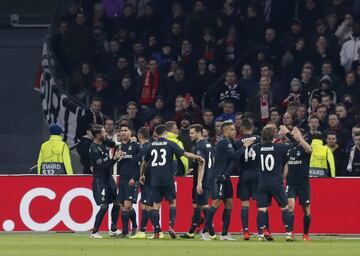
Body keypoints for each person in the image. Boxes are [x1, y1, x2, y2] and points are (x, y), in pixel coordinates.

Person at [139, 124, 204, 239]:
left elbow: (144, 162)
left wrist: (142, 175)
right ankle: (170, 226)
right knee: (172, 202)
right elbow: (185, 154)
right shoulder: (170, 143)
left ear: (156, 134)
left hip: (155, 179)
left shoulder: (151, 145)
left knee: (156, 205)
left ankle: (157, 231)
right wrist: (197, 157)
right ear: (165, 133)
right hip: (168, 178)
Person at [202, 121, 254, 241]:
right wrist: (244, 146)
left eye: (234, 129)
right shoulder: (224, 142)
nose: (234, 131)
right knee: (216, 203)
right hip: (219, 177)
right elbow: (234, 157)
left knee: (229, 203)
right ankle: (205, 230)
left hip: (226, 177)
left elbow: (232, 161)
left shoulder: (229, 142)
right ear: (225, 131)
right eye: (231, 130)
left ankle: (224, 234)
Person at [252, 125, 296, 241]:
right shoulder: (280, 147)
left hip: (262, 182)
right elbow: (296, 144)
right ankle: (288, 233)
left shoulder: (257, 148)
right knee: (284, 207)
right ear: (274, 137)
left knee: (262, 209)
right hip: (276, 182)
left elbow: (253, 160)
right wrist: (287, 133)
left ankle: (261, 235)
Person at [89, 125, 124, 238]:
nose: (105, 134)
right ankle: (94, 232)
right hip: (99, 179)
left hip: (108, 178)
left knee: (116, 202)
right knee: (104, 206)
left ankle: (113, 229)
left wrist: (126, 141)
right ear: (97, 135)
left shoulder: (105, 142)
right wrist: (114, 159)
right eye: (103, 132)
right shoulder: (93, 149)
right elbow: (101, 167)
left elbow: (116, 144)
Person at [180, 124, 214, 239]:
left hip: (202, 179)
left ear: (199, 133)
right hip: (207, 177)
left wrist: (199, 182)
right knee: (196, 206)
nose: (190, 135)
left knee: (203, 206)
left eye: (192, 133)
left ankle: (212, 232)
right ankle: (191, 231)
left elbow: (202, 164)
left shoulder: (199, 145)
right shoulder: (208, 144)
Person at [284, 127, 312, 241]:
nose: (293, 135)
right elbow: (287, 164)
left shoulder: (305, 147)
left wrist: (299, 137)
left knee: (306, 210)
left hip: (303, 184)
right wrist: (283, 178)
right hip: (291, 183)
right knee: (290, 206)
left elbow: (309, 150)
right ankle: (290, 233)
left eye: (296, 133)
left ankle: (305, 234)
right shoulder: (289, 149)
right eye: (293, 133)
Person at [236, 119, 260, 240]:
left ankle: (245, 230)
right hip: (257, 174)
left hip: (244, 174)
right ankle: (261, 230)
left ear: (242, 129)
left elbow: (235, 158)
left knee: (245, 203)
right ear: (251, 127)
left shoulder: (238, 141)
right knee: (261, 204)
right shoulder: (259, 139)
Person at [116, 123, 141, 238]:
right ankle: (134, 226)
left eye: (125, 130)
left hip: (132, 179)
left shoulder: (136, 146)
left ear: (130, 132)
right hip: (122, 179)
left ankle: (125, 231)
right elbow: (119, 164)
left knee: (127, 205)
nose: (123, 132)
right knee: (122, 205)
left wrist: (135, 178)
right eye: (121, 130)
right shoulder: (120, 147)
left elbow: (141, 164)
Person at [131, 127, 153, 239]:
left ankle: (151, 230)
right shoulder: (151, 145)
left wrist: (140, 176)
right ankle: (144, 230)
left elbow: (142, 164)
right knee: (148, 204)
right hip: (153, 178)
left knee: (147, 204)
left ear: (140, 136)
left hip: (146, 179)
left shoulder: (144, 148)